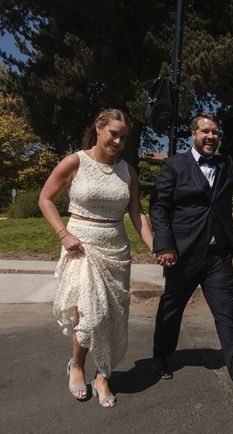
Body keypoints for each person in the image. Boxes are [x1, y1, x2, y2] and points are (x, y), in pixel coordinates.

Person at [150, 112, 233, 399]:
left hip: (217, 257)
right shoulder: (174, 166)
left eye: (215, 132)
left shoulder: (226, 164)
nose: (211, 136)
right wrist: (164, 245)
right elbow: (158, 207)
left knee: (227, 315)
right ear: (193, 135)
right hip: (183, 256)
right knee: (172, 309)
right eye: (206, 131)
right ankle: (160, 355)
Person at [39, 108, 154, 408]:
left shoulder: (127, 171)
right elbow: (45, 199)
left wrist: (156, 245)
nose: (118, 141)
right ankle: (76, 365)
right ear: (99, 128)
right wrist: (63, 234)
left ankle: (103, 375)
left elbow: (136, 212)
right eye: (113, 134)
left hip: (116, 249)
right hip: (80, 246)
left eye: (123, 137)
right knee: (91, 316)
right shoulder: (75, 161)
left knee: (113, 319)